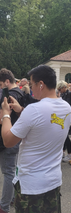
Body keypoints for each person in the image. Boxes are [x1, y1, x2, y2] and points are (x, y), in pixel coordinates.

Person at [1, 65, 71, 213]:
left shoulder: (35, 110)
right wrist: (21, 110)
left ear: (41, 84)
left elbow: (8, 141)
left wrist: (6, 114)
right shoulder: (66, 107)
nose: (30, 88)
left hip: (31, 185)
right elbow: (43, 121)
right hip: (53, 181)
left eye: (32, 84)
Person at [0, 68, 24, 213]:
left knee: (9, 172)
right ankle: (14, 198)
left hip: (8, 138)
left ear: (7, 82)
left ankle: (3, 207)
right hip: (16, 137)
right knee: (14, 171)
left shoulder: (9, 95)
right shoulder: (21, 93)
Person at [57, 80, 71, 163]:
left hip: (66, 117)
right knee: (62, 136)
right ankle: (63, 152)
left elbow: (69, 105)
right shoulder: (63, 94)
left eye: (60, 89)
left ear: (64, 87)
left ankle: (69, 154)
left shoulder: (70, 94)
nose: (59, 91)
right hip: (62, 117)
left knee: (66, 136)